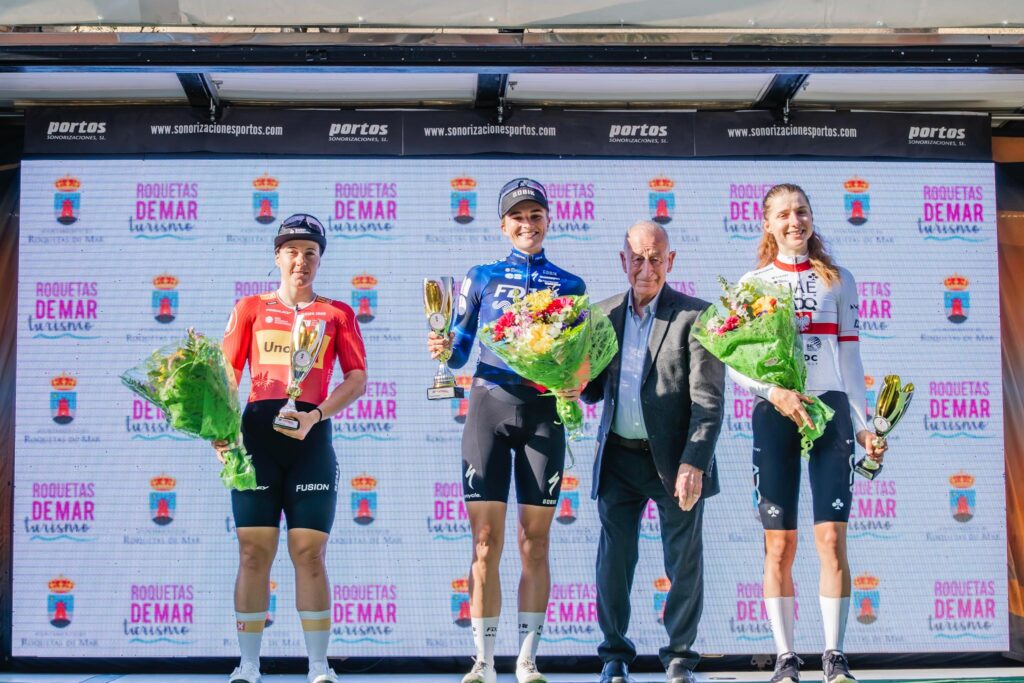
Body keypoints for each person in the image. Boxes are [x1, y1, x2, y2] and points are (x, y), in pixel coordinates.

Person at [427, 178, 586, 683]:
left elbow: (580, 360)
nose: (527, 224)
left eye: (535, 215)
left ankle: (527, 659)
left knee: (535, 543)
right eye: (517, 217)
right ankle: (484, 659)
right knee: (484, 541)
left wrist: (575, 381)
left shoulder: (571, 285)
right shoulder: (482, 277)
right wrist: (443, 347)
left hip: (543, 412)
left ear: (548, 221)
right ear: (503, 226)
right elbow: (458, 352)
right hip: (488, 409)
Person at [729, 184, 886, 683]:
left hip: (829, 410)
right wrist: (773, 393)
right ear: (767, 224)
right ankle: (785, 658)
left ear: (811, 218)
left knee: (832, 539)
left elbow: (850, 358)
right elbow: (734, 361)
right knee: (779, 545)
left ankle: (834, 656)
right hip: (776, 412)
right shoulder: (753, 283)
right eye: (783, 214)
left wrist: (864, 425)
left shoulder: (838, 280)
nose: (794, 221)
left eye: (801, 211)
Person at [214, 213, 368, 683]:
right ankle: (248, 664)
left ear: (320, 260)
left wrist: (315, 415)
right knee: (252, 553)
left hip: (310, 439)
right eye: (292, 252)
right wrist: (221, 431)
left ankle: (319, 665)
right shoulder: (250, 308)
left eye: (311, 253)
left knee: (310, 554)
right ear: (277, 257)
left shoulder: (337, 313)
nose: (301, 260)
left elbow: (357, 379)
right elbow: (226, 377)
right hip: (256, 440)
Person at [579, 221, 725, 683]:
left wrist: (694, 462)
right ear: (622, 261)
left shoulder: (697, 316)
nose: (646, 268)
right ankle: (614, 656)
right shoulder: (600, 315)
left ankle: (680, 658)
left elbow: (708, 402)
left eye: (655, 259)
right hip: (618, 459)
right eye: (637, 259)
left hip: (676, 462)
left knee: (683, 561)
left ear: (670, 261)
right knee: (613, 562)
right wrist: (568, 375)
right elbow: (592, 391)